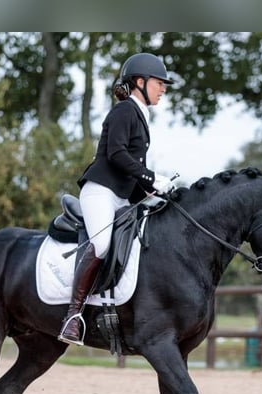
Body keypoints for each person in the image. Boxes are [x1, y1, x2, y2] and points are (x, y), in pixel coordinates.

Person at [58, 52, 175, 345]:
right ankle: (73, 315)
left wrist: (151, 192)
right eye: (159, 83)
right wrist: (151, 177)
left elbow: (131, 173)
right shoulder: (124, 111)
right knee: (101, 243)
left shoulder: (140, 116)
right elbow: (117, 154)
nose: (163, 88)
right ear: (140, 81)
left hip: (121, 195)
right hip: (100, 190)